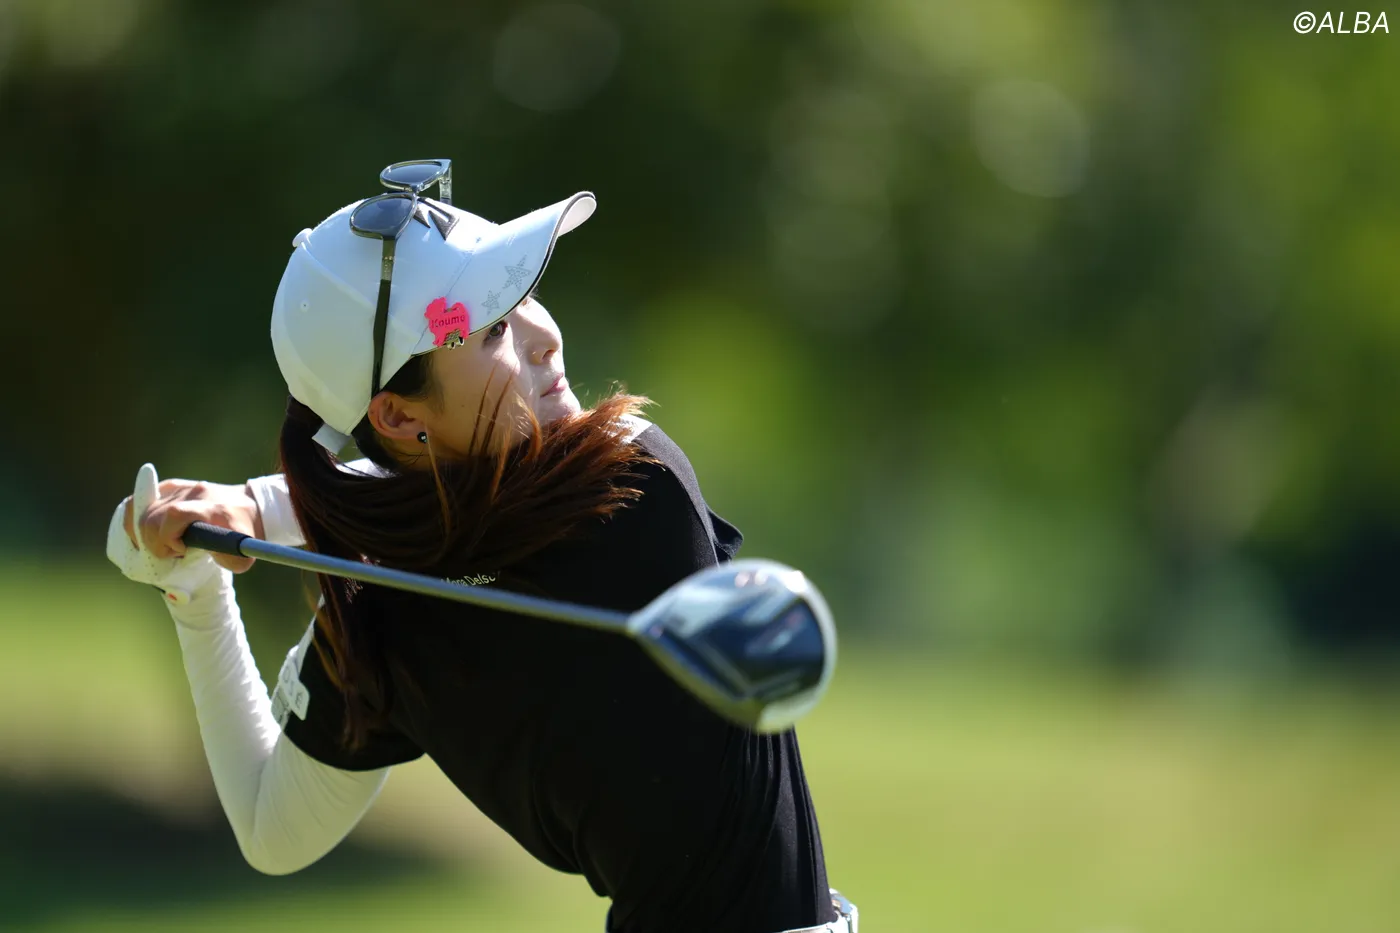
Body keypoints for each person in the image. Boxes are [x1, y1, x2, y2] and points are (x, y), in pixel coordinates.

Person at [105, 161, 858, 933]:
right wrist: (198, 587)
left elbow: (449, 498)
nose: (544, 338)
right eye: (495, 328)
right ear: (399, 416)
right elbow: (272, 828)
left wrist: (246, 525)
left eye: (524, 297)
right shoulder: (627, 486)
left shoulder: (402, 602)